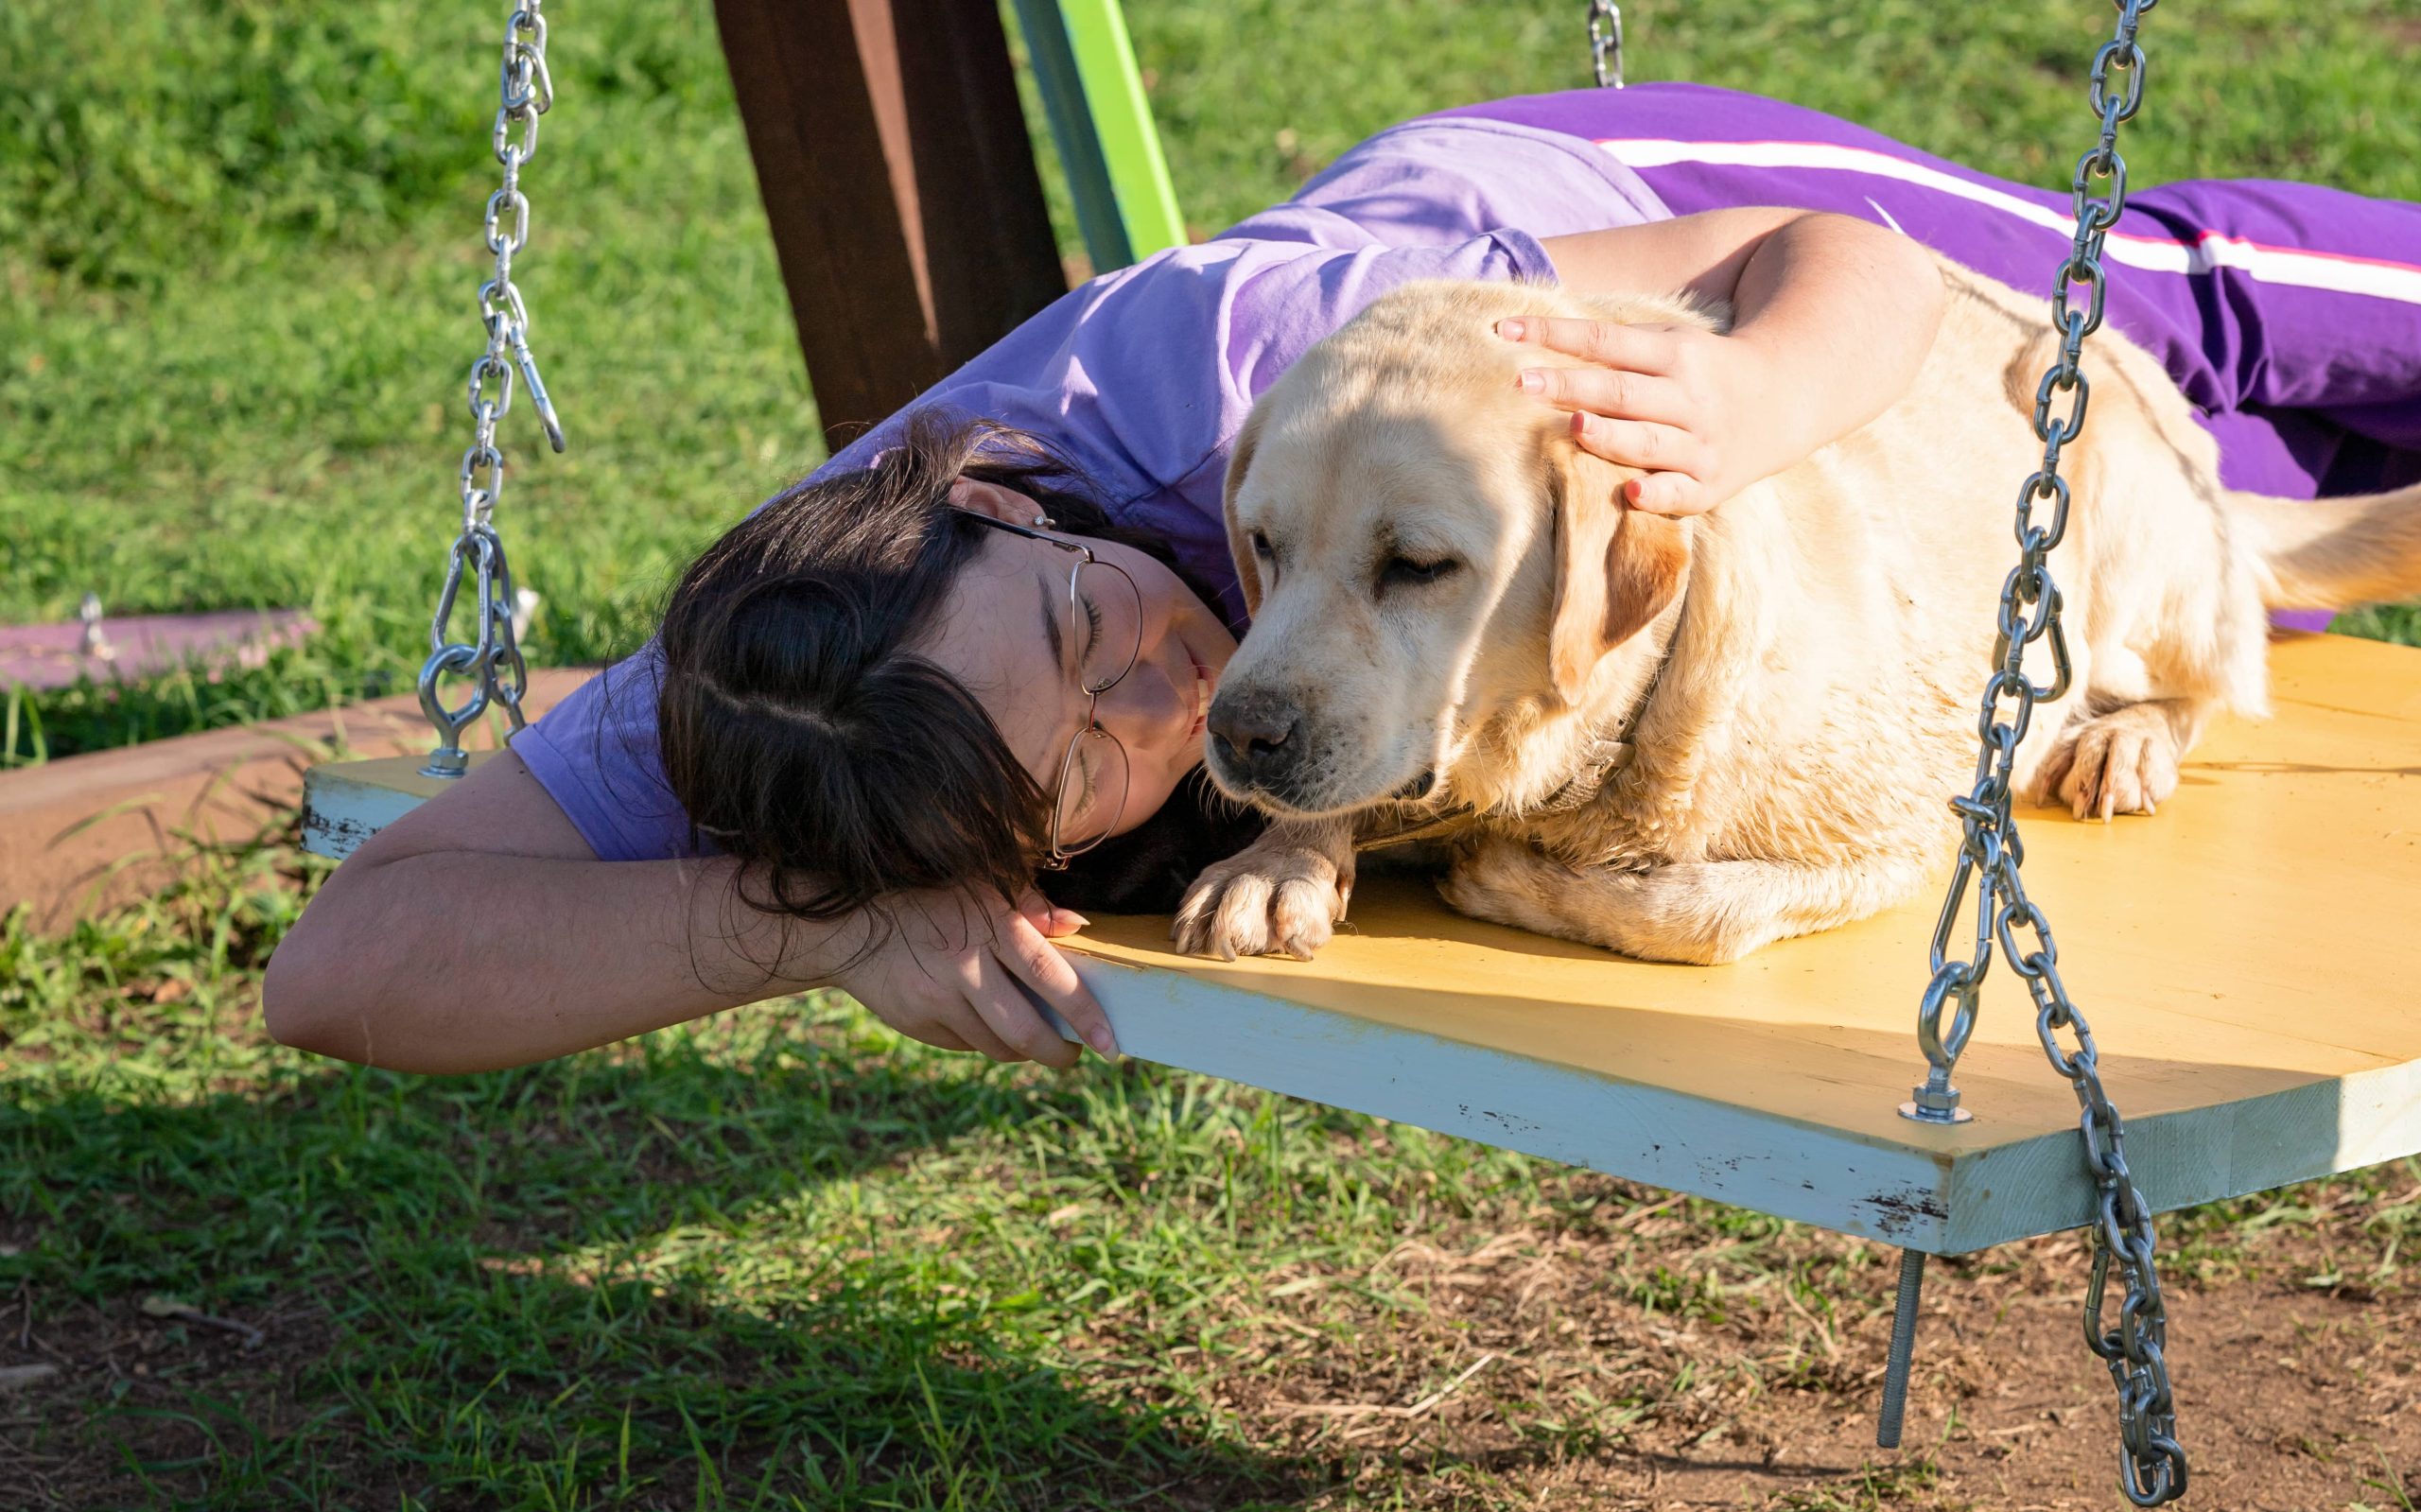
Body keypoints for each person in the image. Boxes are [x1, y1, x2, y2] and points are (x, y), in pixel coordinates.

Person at [264, 83, 2421, 1078]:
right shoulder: (802, 692)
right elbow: (344, 969)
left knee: (2154, 316)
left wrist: (1745, 404)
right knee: (2236, 528)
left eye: (1097, 630)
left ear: (1012, 497)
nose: (1168, 701)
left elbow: (1826, 270)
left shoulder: (1259, 348)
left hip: (1617, 220)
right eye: (1090, 764)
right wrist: (801, 922)